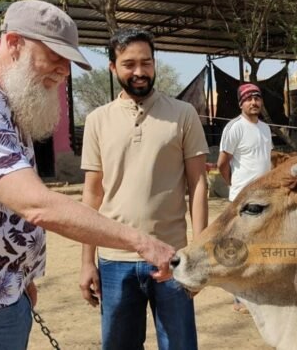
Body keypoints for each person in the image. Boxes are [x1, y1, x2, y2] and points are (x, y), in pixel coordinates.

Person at [0, 0, 175, 350]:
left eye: (67, 61)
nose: (62, 70)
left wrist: (19, 277)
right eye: (54, 56)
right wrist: (142, 242)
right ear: (14, 43)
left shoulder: (4, 104)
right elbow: (37, 205)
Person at [78, 28, 208, 350]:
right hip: (113, 260)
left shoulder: (183, 115)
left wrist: (198, 254)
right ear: (113, 67)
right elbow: (92, 194)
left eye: (146, 63)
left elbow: (199, 184)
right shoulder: (97, 120)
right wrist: (86, 261)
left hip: (172, 257)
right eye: (129, 64)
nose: (139, 72)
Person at [216, 83, 272, 312]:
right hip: (242, 198)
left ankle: (258, 294)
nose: (254, 102)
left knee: (261, 245)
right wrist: (234, 186)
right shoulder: (234, 128)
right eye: (248, 99)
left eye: (257, 98)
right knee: (240, 248)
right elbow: (222, 163)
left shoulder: (266, 128)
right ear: (241, 103)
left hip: (264, 198)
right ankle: (240, 297)